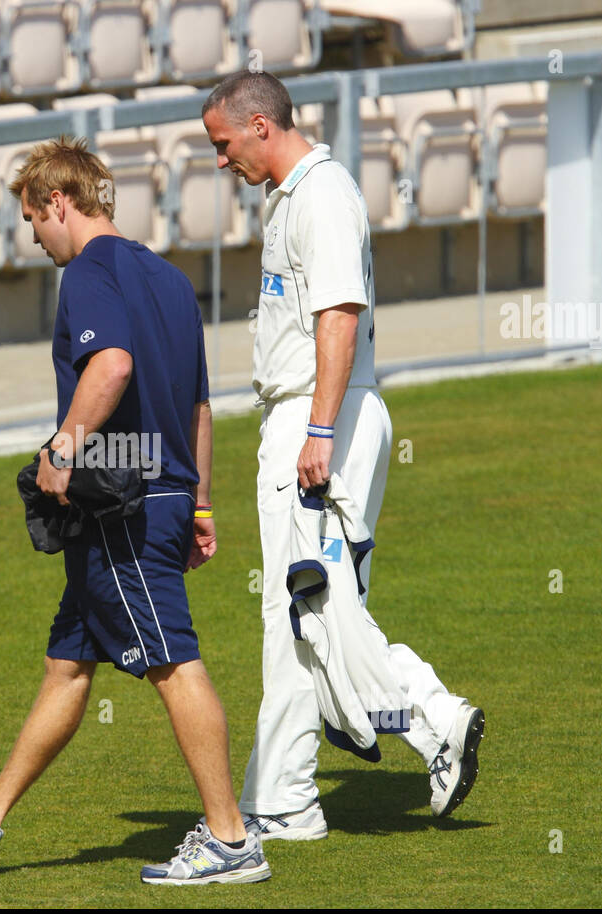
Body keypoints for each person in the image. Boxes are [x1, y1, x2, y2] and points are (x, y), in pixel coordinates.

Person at [0, 136, 269, 886]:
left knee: (173, 661)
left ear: (57, 203)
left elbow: (112, 365)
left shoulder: (89, 273)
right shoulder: (168, 279)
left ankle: (232, 837)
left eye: (32, 220)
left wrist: (64, 450)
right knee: (67, 665)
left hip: (125, 503)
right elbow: (200, 401)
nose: (32, 237)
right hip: (160, 492)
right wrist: (200, 499)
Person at [201, 70, 485, 840]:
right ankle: (285, 795)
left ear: (261, 126)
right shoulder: (296, 195)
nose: (220, 161)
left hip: (320, 417)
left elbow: (339, 315)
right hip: (309, 415)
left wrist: (319, 430)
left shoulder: (320, 195)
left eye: (222, 144)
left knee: (314, 606)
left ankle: (430, 720)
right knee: (300, 610)